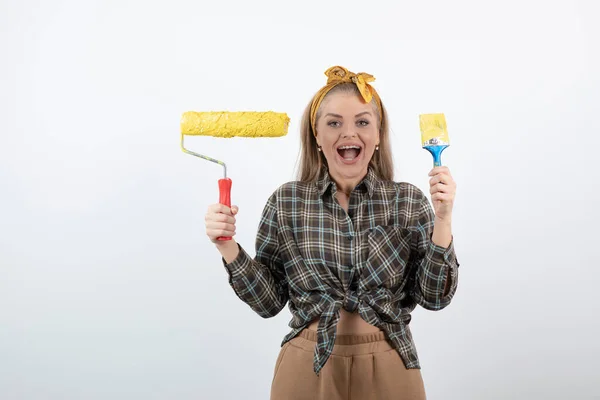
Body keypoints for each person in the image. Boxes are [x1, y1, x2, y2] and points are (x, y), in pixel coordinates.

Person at [204, 65, 460, 400]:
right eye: (334, 122)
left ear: (379, 135)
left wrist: (443, 218)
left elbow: (435, 297)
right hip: (307, 366)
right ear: (316, 136)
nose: (348, 133)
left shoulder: (407, 201)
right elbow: (269, 302)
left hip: (390, 365)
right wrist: (227, 247)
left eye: (363, 122)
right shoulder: (287, 202)